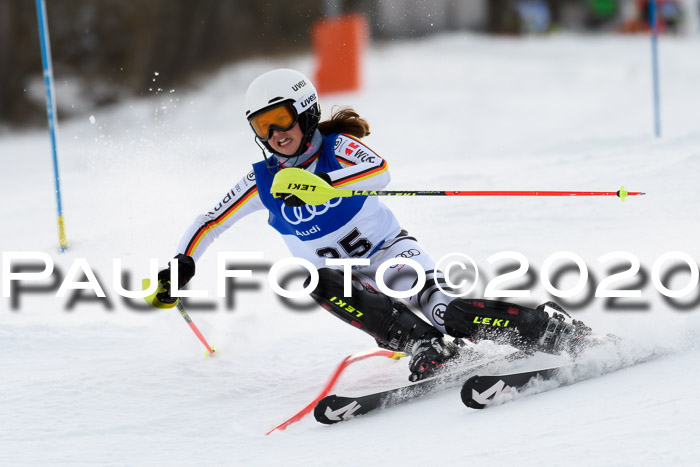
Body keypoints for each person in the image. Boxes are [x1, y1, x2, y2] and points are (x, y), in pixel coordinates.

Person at [156, 69, 593, 381]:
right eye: (261, 126)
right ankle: (426, 346)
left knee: (449, 312)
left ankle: (551, 329)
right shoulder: (263, 180)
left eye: (281, 121)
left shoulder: (338, 147)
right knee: (316, 280)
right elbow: (210, 220)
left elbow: (379, 170)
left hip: (391, 255)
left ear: (305, 113)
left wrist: (323, 184)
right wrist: (182, 264)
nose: (274, 135)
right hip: (349, 282)